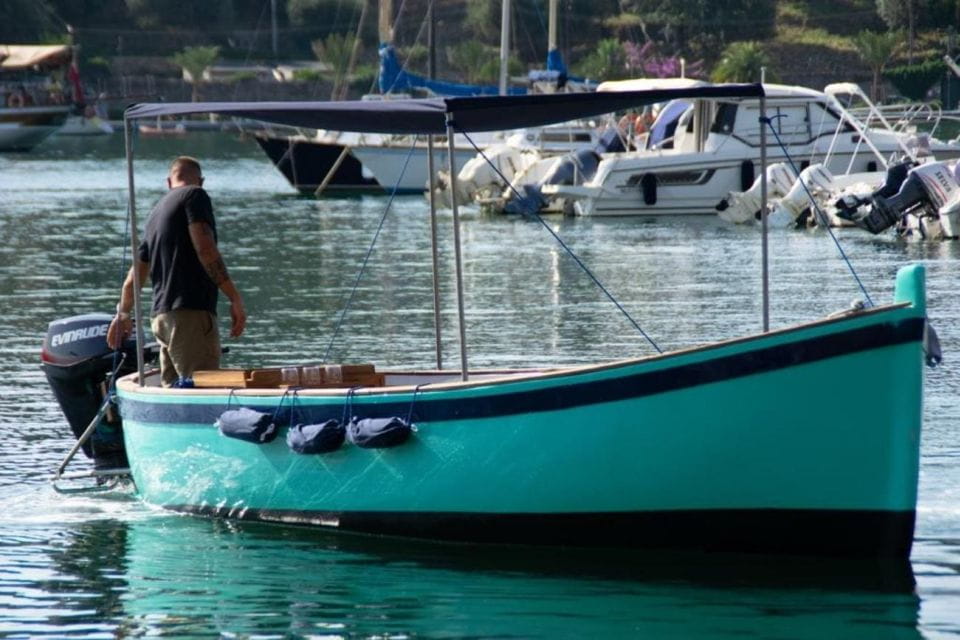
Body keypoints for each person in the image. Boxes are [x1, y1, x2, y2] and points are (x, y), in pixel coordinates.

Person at [107, 156, 246, 386]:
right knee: (202, 388)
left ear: (168, 182)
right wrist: (234, 297)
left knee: (174, 389)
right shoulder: (195, 195)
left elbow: (135, 276)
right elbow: (205, 248)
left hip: (162, 319)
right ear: (201, 181)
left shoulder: (156, 212)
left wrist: (122, 314)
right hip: (189, 314)